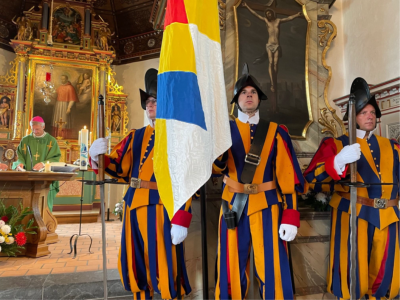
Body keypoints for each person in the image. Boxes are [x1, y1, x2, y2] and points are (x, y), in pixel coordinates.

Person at [89, 69, 192, 300]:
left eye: (155, 100)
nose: (150, 105)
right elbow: (117, 168)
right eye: (148, 101)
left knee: (165, 266)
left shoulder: (178, 137)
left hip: (162, 208)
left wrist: (182, 218)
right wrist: (98, 157)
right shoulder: (135, 136)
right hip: (133, 205)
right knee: (136, 266)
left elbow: (186, 180)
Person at [213, 64, 307, 300]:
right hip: (232, 205)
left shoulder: (277, 131)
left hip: (268, 206)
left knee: (273, 266)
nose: (248, 96)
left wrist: (291, 216)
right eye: (244, 92)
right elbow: (215, 170)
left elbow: (288, 177)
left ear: (259, 99)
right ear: (237, 99)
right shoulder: (224, 131)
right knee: (231, 267)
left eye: (253, 92)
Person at [304, 78, 400, 299]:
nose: (369, 116)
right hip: (353, 213)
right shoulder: (337, 144)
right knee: (351, 271)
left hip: (388, 215)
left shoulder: (392, 147)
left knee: (386, 273)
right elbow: (312, 179)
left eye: (372, 112)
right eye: (363, 112)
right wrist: (337, 161)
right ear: (353, 117)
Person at [243, 3, 301, 94]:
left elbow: (288, 18)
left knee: (275, 63)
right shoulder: (266, 21)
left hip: (276, 45)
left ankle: (274, 78)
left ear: (272, 14)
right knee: (270, 63)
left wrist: (297, 15)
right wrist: (247, 6)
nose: (268, 15)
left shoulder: (278, 21)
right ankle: (272, 84)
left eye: (269, 14)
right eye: (267, 14)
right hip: (269, 44)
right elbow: (256, 14)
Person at [12, 116, 61, 211]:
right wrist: (20, 163)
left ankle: (45, 220)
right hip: (28, 178)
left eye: (37, 129)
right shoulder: (26, 140)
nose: (35, 131)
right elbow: (20, 155)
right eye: (33, 129)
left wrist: (43, 164)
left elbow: (55, 158)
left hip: (45, 178)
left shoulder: (51, 140)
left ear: (43, 127)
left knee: (43, 204)